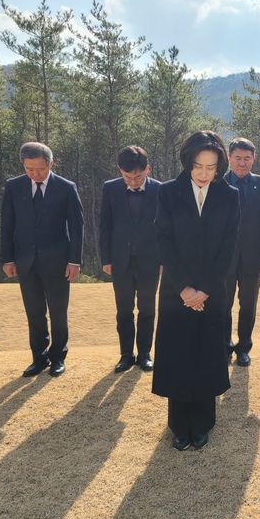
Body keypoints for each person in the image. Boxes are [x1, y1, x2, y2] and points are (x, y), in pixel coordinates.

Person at [152, 130, 240, 451]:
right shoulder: (168, 193)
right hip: (177, 291)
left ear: (219, 167)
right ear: (188, 162)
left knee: (207, 353)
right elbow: (164, 241)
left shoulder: (229, 196)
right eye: (198, 166)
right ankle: (178, 424)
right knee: (178, 353)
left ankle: (203, 422)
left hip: (212, 292)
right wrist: (185, 289)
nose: (204, 174)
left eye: (211, 167)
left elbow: (228, 249)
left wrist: (203, 290)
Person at [1, 142, 84, 378]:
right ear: (23, 165)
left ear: (51, 163)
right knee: (34, 311)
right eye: (29, 169)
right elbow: (7, 225)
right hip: (25, 260)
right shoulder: (14, 187)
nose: (35, 174)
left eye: (40, 169)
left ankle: (58, 356)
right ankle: (38, 357)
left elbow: (77, 227)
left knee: (58, 311)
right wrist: (7, 258)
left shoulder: (66, 187)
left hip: (58, 262)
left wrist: (74, 261)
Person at [99, 146, 162, 373]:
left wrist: (163, 259)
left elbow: (165, 228)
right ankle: (126, 355)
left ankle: (145, 354)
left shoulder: (160, 190)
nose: (133, 181)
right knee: (124, 310)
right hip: (120, 260)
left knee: (147, 309)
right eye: (127, 177)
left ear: (147, 169)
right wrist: (106, 258)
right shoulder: (110, 189)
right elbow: (105, 226)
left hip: (150, 261)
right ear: (120, 172)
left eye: (137, 176)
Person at [223, 138, 260, 367]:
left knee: (248, 304)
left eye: (247, 158)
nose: (242, 163)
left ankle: (244, 347)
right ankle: (224, 346)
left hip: (254, 257)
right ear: (228, 158)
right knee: (222, 304)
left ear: (254, 158)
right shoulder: (217, 183)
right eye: (237, 158)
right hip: (223, 258)